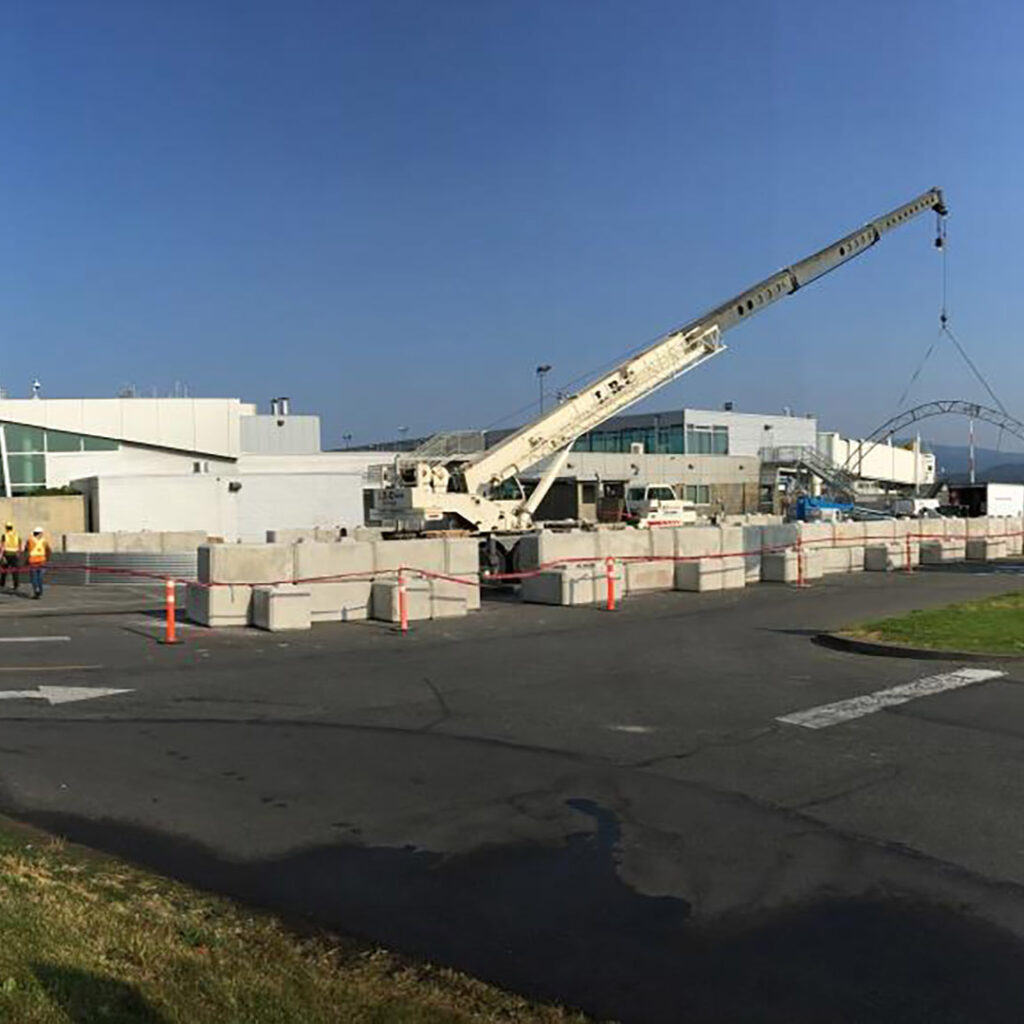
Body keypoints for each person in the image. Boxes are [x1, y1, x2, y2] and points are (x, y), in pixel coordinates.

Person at [24, 527, 51, 600]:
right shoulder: (44, 541)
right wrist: (47, 559)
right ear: (40, 533)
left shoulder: (30, 540)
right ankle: (40, 591)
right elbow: (48, 550)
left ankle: (36, 590)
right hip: (42, 561)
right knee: (40, 577)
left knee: (34, 577)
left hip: (33, 561)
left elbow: (26, 550)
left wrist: (26, 561)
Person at [0, 521, 20, 591]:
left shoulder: (4, 535)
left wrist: (1, 556)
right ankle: (16, 585)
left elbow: (2, 546)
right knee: (15, 570)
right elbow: (19, 545)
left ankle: (2, 583)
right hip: (14, 554)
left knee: (4, 569)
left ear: (6, 528)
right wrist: (18, 553)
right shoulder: (16, 535)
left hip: (7, 554)